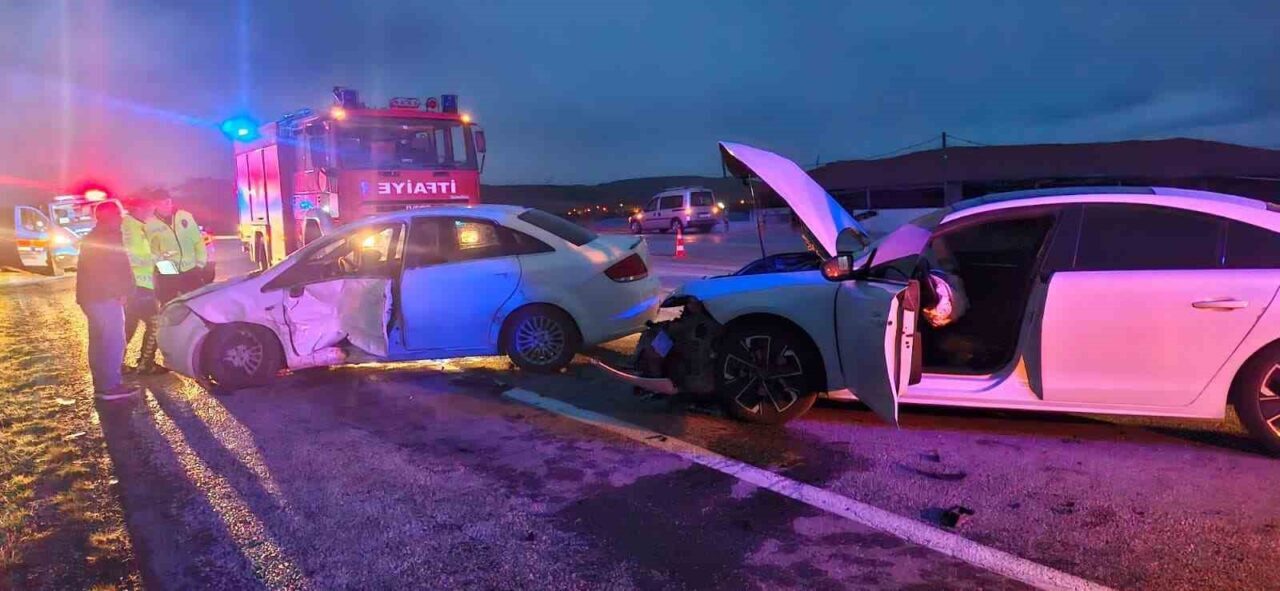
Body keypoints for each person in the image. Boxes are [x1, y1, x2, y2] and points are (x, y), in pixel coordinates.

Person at [76, 202, 141, 401]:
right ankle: (111, 386)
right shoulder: (107, 237)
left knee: (99, 342)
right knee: (113, 342)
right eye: (118, 214)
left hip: (92, 298)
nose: (121, 218)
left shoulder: (96, 236)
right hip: (104, 298)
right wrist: (121, 292)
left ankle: (102, 384)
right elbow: (109, 270)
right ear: (112, 216)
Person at [121, 196, 164, 374]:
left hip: (139, 285)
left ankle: (117, 363)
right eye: (150, 209)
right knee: (155, 323)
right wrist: (154, 259)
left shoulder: (136, 226)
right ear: (139, 209)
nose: (152, 213)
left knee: (129, 326)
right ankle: (146, 364)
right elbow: (128, 257)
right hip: (138, 286)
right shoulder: (129, 228)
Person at [144, 192, 208, 303]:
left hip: (190, 269)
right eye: (161, 204)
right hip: (167, 271)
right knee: (170, 304)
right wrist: (160, 267)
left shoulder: (185, 217)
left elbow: (198, 241)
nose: (166, 206)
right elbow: (151, 250)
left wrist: (200, 264)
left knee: (200, 301)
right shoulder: (150, 224)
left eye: (167, 202)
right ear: (155, 205)